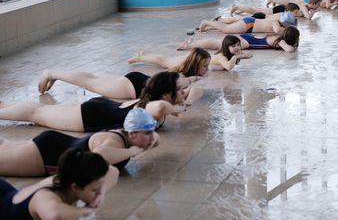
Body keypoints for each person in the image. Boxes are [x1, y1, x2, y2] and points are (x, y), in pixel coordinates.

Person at [0, 71, 194, 132]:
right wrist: (180, 107)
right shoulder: (155, 107)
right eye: (179, 90)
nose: (184, 92)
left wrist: (179, 104)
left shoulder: (153, 104)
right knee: (37, 114)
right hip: (91, 116)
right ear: (166, 94)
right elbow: (161, 107)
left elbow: (167, 105)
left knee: (40, 111)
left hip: (101, 109)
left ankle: (4, 107)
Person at [0, 108, 158, 177]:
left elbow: (155, 140)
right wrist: (131, 152)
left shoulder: (127, 138)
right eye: (148, 133)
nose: (152, 137)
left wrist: (149, 141)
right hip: (46, 155)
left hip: (53, 144)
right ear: (132, 133)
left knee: (4, 147)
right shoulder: (114, 141)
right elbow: (100, 155)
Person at [0, 147, 119, 220]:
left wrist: (101, 192)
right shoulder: (45, 198)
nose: (97, 194)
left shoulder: (67, 178)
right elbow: (56, 217)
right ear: (75, 187)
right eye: (94, 190)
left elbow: (113, 171)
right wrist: (83, 211)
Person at [39, 48, 211, 99]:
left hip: (136, 81)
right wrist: (196, 79)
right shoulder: (181, 77)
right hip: (132, 87)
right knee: (88, 83)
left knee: (92, 78)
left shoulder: (180, 73)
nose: (207, 70)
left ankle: (54, 74)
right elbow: (186, 85)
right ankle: (51, 73)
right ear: (195, 66)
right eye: (205, 66)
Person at [178, 26, 300, 53]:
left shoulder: (278, 38)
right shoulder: (280, 41)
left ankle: (193, 43)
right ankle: (188, 45)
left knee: (217, 43)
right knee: (216, 45)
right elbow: (289, 50)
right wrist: (292, 47)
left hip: (247, 39)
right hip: (247, 42)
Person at [199, 9, 297, 34]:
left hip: (250, 23)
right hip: (249, 24)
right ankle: (206, 22)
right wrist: (288, 30)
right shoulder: (276, 24)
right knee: (226, 29)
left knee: (227, 27)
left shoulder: (276, 21)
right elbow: (277, 31)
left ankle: (207, 28)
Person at [230, 2, 299, 18]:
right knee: (253, 10)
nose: (295, 14)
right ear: (290, 10)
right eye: (295, 12)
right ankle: (237, 7)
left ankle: (239, 10)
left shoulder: (286, 10)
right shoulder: (285, 12)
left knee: (252, 9)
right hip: (268, 12)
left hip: (271, 10)